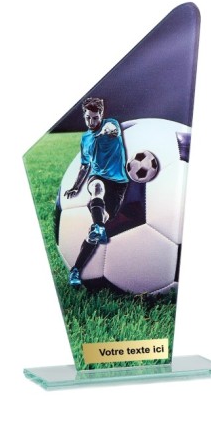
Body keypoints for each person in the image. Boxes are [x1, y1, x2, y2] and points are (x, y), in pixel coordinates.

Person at [64, 97, 129, 287]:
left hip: (119, 184)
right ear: (84, 116)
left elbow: (112, 129)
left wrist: (107, 131)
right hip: (97, 176)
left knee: (98, 227)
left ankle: (77, 267)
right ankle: (98, 229)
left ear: (101, 114)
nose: (91, 122)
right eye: (88, 118)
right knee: (97, 188)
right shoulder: (85, 138)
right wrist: (76, 186)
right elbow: (85, 165)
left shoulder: (111, 124)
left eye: (95, 117)